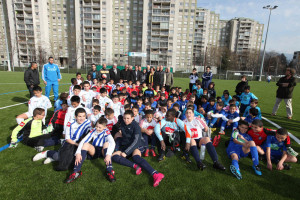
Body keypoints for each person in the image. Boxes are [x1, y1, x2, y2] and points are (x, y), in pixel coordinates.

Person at [111, 110, 165, 187]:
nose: (126, 120)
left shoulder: (136, 126)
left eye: (128, 118)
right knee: (114, 156)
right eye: (124, 118)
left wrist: (126, 152)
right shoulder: (122, 122)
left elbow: (136, 141)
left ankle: (156, 174)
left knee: (135, 156)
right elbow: (119, 128)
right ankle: (136, 166)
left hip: (138, 144)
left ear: (133, 118)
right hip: (127, 145)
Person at [65, 117, 117, 183]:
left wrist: (109, 155)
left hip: (103, 151)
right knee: (85, 144)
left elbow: (112, 143)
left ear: (104, 127)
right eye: (97, 126)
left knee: (106, 143)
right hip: (94, 151)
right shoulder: (93, 130)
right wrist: (78, 153)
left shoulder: (106, 131)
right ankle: (76, 171)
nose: (97, 129)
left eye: (99, 127)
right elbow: (83, 141)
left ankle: (109, 171)